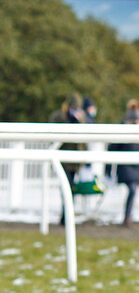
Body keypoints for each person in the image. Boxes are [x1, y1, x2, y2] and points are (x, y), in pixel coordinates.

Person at [48, 93, 86, 225]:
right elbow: (52, 132)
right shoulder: (58, 116)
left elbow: (84, 136)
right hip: (62, 159)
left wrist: (78, 120)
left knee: (72, 189)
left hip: (75, 160)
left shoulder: (82, 116)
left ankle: (67, 215)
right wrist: (68, 119)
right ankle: (65, 216)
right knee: (66, 187)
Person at [108, 100, 139, 227]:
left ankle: (128, 215)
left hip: (134, 166)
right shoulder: (126, 127)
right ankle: (127, 216)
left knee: (133, 190)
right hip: (128, 166)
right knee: (133, 189)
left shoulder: (135, 127)